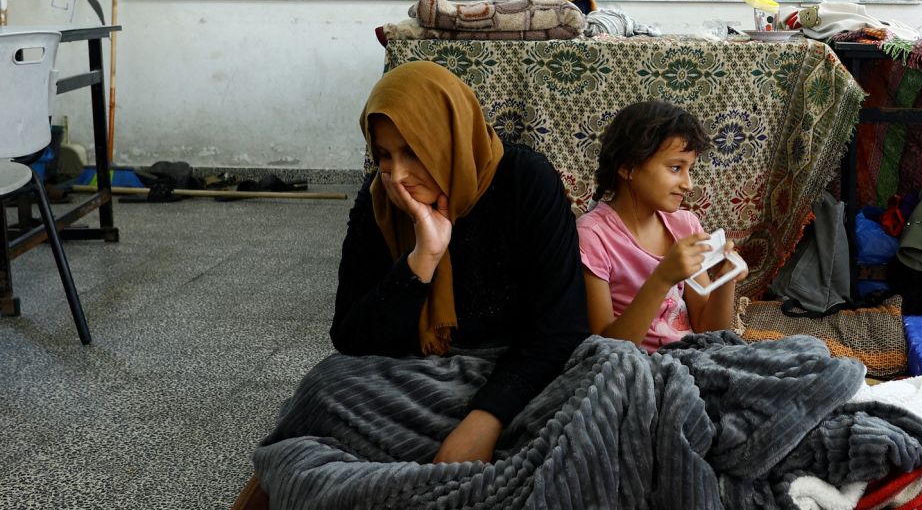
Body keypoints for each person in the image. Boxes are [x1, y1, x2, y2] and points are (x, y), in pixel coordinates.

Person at [234, 60, 590, 509]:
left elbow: (562, 329)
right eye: (384, 155)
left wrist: (484, 420)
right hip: (419, 382)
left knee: (605, 384)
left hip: (519, 378)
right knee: (324, 387)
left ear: (447, 138)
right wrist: (423, 259)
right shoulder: (380, 199)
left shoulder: (524, 180)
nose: (397, 174)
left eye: (413, 151)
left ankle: (429, 472)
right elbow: (351, 338)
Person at [577, 100, 747, 352]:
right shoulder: (592, 236)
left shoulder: (686, 225)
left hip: (694, 356)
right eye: (676, 168)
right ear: (628, 167)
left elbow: (709, 332)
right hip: (638, 367)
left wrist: (725, 279)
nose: (688, 184)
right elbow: (605, 348)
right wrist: (663, 277)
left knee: (807, 355)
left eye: (690, 169)